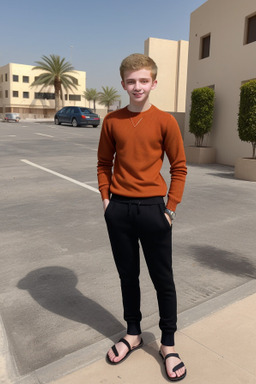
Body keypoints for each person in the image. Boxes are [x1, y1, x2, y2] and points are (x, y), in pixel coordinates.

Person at [97, 53, 187, 381]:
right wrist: (107, 201)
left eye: (143, 80)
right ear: (123, 83)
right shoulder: (111, 121)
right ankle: (133, 333)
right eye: (131, 81)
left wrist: (170, 208)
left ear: (154, 83)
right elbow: (103, 164)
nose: (137, 86)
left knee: (163, 279)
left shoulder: (165, 121)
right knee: (127, 276)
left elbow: (179, 167)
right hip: (119, 210)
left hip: (153, 210)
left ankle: (168, 343)